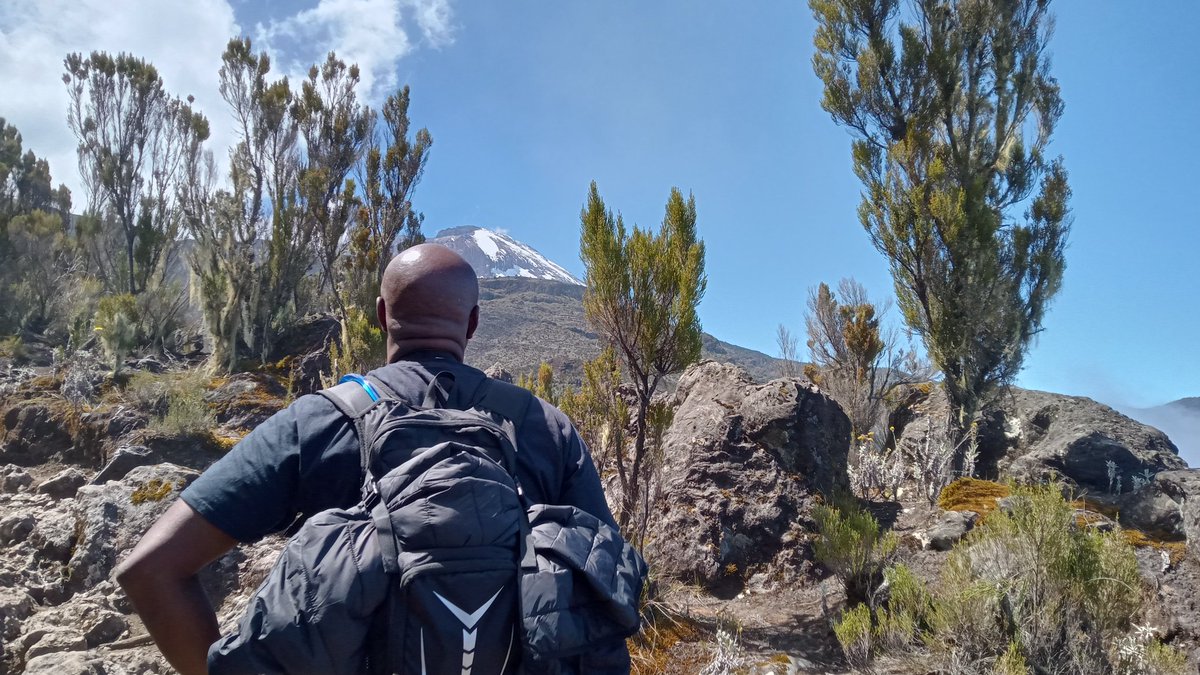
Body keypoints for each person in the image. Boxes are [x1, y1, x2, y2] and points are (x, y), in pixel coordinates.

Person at [116, 244, 630, 674]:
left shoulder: (316, 421)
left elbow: (150, 570)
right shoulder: (547, 426)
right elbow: (611, 587)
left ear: (382, 314)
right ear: (472, 324)